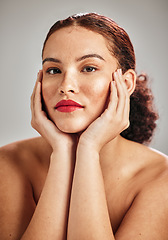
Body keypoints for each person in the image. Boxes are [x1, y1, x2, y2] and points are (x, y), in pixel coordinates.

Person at [0, 12, 167, 240]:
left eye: (88, 68)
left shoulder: (161, 178)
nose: (66, 86)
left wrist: (87, 149)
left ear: (125, 84)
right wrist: (62, 153)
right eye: (54, 70)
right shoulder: (8, 163)